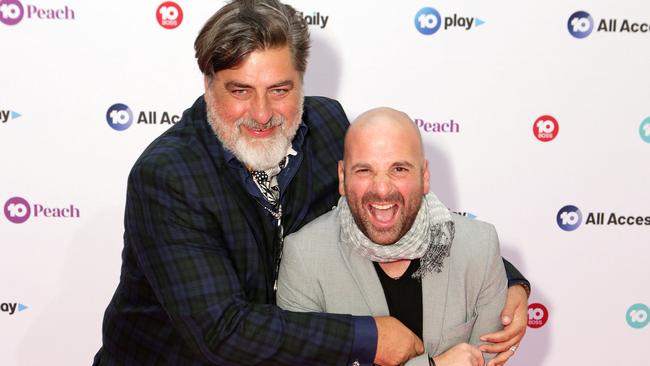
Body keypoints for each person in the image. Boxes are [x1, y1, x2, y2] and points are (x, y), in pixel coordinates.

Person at [94, 1, 529, 365]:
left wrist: (502, 277)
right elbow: (222, 332)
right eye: (240, 91)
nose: (262, 114)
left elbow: (389, 205)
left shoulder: (324, 123)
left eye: (280, 89)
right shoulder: (167, 177)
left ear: (302, 82)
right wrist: (369, 337)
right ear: (209, 86)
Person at [278, 107, 510, 366]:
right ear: (342, 177)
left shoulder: (479, 246)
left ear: (424, 175)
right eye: (364, 170)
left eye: (398, 169)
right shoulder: (304, 256)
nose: (381, 189)